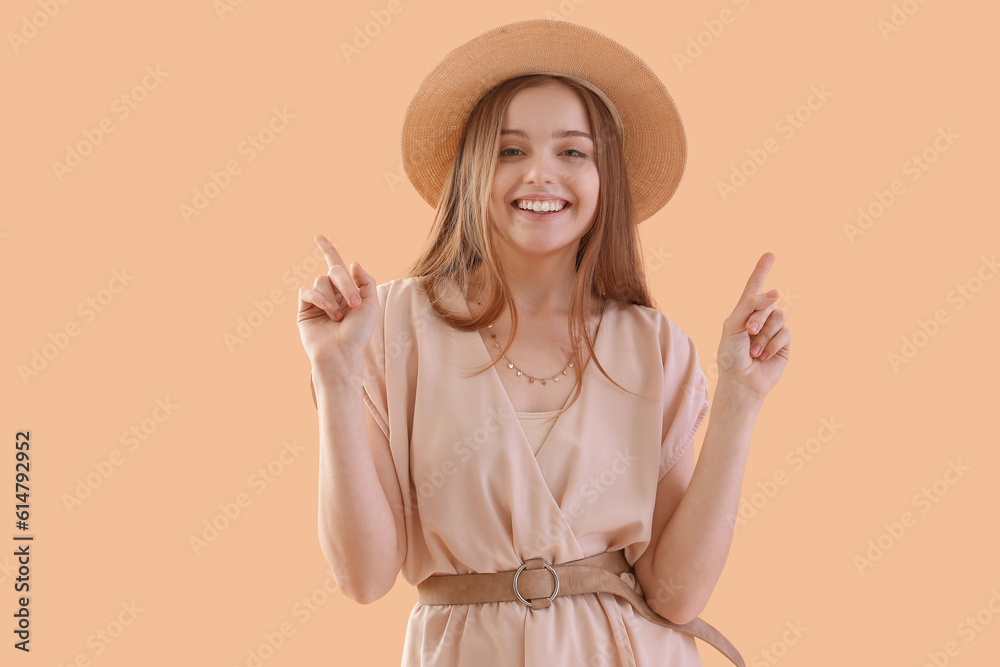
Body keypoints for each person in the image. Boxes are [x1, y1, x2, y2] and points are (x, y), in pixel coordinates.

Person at [296, 18, 790, 667]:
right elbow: (363, 578)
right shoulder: (390, 327)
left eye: (573, 152)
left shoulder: (653, 346)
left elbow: (676, 594)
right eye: (510, 150)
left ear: (604, 177)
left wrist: (740, 399)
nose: (540, 174)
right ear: (473, 170)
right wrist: (335, 377)